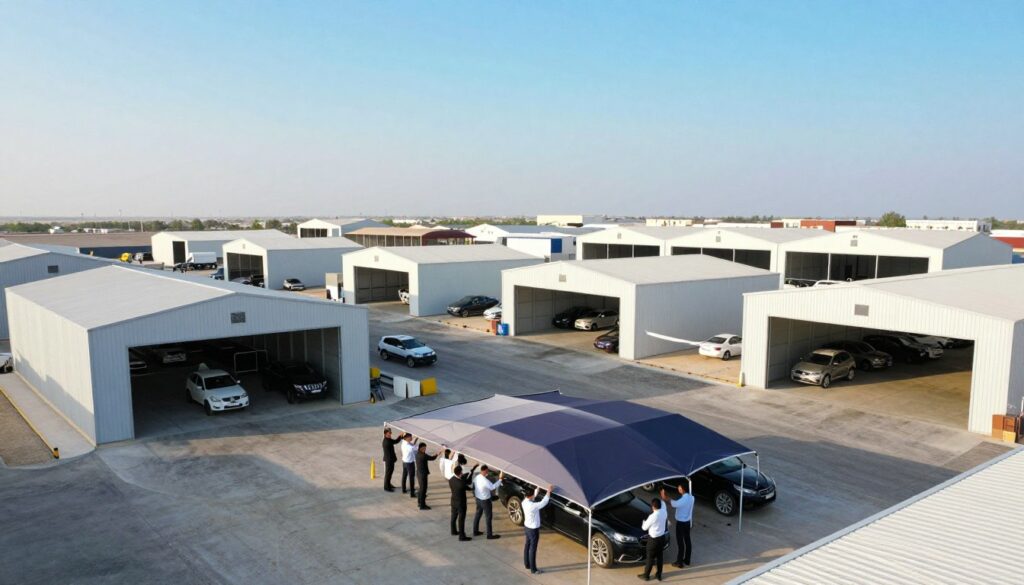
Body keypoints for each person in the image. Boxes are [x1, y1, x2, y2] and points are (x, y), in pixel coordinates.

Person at [521, 484, 554, 575]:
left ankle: (527, 564)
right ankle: (534, 569)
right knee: (533, 549)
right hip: (533, 529)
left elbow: (533, 497)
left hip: (527, 527)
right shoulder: (533, 506)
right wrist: (548, 492)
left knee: (527, 545)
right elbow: (543, 503)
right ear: (530, 496)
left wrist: (537, 489)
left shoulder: (524, 502)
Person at [662, 484, 694, 568]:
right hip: (687, 522)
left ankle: (679, 562)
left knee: (680, 543)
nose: (678, 489)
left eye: (679, 488)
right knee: (687, 540)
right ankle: (687, 560)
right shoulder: (692, 498)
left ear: (683, 489)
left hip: (681, 523)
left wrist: (666, 497)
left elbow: (674, 504)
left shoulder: (683, 500)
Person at [639, 498, 668, 581]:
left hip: (653, 540)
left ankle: (646, 576)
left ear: (653, 507)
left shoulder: (653, 516)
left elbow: (644, 528)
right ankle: (659, 575)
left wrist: (644, 522)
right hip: (662, 538)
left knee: (650, 558)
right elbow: (664, 506)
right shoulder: (664, 511)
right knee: (660, 557)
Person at [472, 465, 504, 539]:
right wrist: (500, 479)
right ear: (485, 470)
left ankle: (475, 531)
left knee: (478, 515)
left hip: (478, 499)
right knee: (488, 517)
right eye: (487, 471)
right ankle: (489, 535)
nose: (488, 472)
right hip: (485, 501)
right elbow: (492, 487)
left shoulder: (477, 477)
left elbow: (474, 485)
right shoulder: (485, 480)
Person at [448, 464, 473, 541]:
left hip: (453, 501)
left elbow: (462, 479)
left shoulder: (451, 479)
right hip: (461, 504)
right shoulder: (461, 484)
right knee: (461, 519)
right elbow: (469, 488)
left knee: (454, 516)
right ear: (460, 473)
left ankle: (453, 531)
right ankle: (462, 536)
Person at [415, 442, 440, 510]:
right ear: (421, 448)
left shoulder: (418, 454)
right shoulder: (423, 455)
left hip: (419, 473)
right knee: (423, 490)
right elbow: (432, 458)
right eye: (424, 448)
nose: (425, 449)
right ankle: (422, 505)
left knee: (421, 489)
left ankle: (419, 502)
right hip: (423, 475)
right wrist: (438, 453)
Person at [400, 434, 417, 498]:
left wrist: (416, 438)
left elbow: (412, 444)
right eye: (410, 437)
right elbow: (415, 448)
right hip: (410, 463)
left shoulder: (404, 442)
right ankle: (412, 493)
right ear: (407, 438)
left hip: (404, 461)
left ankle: (403, 489)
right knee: (411, 477)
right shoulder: (408, 446)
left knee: (404, 475)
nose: (411, 438)